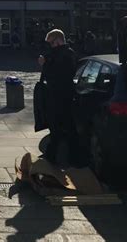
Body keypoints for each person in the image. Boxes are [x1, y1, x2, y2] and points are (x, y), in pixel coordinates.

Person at [38, 28, 79, 166]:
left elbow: (58, 75)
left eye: (52, 43)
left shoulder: (66, 54)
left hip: (62, 97)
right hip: (57, 96)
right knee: (59, 129)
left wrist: (45, 65)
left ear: (59, 41)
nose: (51, 46)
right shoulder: (58, 54)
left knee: (62, 129)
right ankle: (56, 157)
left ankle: (60, 159)